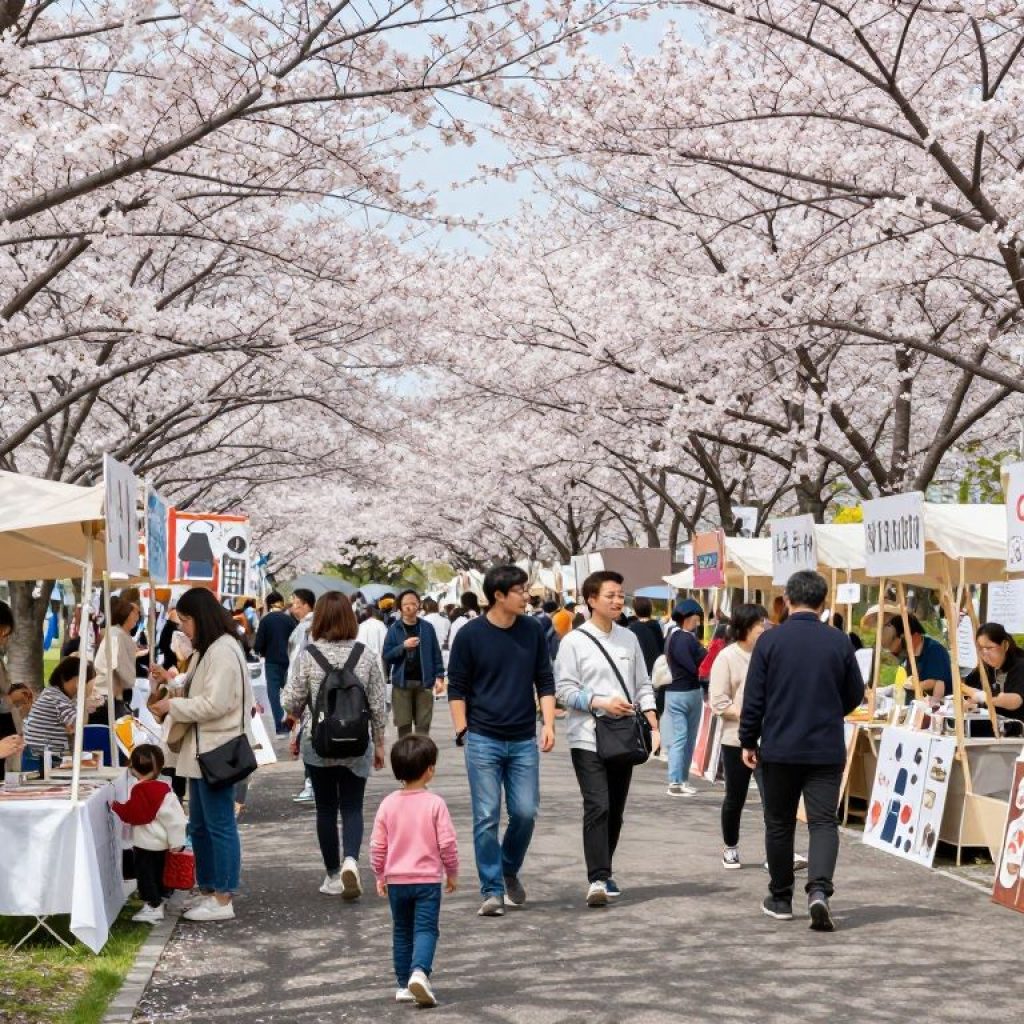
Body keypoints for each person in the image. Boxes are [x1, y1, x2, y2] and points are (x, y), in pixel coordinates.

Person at [739, 571, 864, 931]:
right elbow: (855, 693)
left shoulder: (770, 641)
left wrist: (749, 739)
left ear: (787, 600)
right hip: (825, 747)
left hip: (779, 747)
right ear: (824, 603)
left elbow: (755, 697)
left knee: (779, 823)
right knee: (823, 822)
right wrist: (827, 709)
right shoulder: (838, 641)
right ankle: (819, 891)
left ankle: (780, 898)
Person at [447, 564, 556, 916]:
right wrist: (462, 729)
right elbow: (457, 687)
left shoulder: (533, 630)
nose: (527, 596)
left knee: (525, 812)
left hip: (523, 737)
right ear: (498, 595)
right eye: (521, 590)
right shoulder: (470, 635)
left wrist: (549, 723)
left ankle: (508, 868)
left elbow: (544, 678)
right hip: (483, 738)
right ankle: (492, 889)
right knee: (486, 815)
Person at [149, 587, 254, 923]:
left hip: (215, 749)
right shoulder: (212, 648)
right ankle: (211, 890)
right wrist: (171, 686)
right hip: (205, 749)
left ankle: (222, 896)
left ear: (198, 618)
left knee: (218, 824)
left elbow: (215, 703)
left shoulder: (221, 650)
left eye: (185, 622)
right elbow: (203, 693)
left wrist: (172, 704)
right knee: (204, 824)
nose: (184, 630)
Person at [556, 571, 658, 907]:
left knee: (615, 808)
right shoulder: (574, 641)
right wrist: (601, 702)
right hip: (586, 735)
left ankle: (606, 868)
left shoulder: (629, 639)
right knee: (597, 804)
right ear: (591, 600)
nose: (617, 601)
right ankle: (597, 878)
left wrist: (653, 722)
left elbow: (643, 683)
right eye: (610, 595)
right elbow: (565, 691)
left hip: (624, 735)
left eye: (620, 595)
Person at [282, 591, 387, 898]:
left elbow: (292, 702)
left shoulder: (308, 656)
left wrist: (293, 724)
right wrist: (379, 743)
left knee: (326, 809)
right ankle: (351, 860)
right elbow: (379, 705)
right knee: (352, 806)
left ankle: (331, 875)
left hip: (319, 742)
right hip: (357, 743)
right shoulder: (366, 655)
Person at [371, 734, 459, 1008]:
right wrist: (452, 871)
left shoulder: (388, 804)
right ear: (430, 770)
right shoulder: (435, 804)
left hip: (397, 879)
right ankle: (419, 972)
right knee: (425, 929)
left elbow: (377, 845)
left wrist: (379, 874)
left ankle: (402, 983)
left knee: (402, 930)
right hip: (427, 881)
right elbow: (447, 844)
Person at [710, 604, 769, 869]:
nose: (764, 627)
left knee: (773, 799)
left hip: (769, 738)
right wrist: (748, 716)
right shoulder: (727, 657)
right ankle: (730, 846)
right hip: (735, 739)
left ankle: (776, 854)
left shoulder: (767, 654)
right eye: (760, 623)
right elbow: (719, 701)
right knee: (736, 797)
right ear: (746, 626)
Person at [110, 744, 187, 924]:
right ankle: (161, 897)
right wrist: (177, 842)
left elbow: (134, 814)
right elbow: (176, 819)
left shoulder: (139, 790)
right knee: (160, 873)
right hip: (162, 843)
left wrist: (115, 806)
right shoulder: (166, 790)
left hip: (145, 843)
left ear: (134, 769)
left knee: (145, 876)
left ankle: (153, 906)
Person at [383, 591, 445, 738]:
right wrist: (402, 646)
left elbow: (436, 653)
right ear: (400, 608)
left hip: (424, 683)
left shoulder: (427, 628)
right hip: (401, 684)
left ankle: (421, 759)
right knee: (403, 728)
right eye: (406, 604)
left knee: (423, 727)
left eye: (413, 603)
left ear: (419, 605)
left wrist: (440, 676)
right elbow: (387, 655)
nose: (410, 607)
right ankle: (405, 759)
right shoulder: (394, 629)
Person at [664, 599, 707, 797]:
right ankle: (677, 781)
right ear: (687, 618)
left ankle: (679, 780)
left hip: (673, 692)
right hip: (689, 692)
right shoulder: (687, 639)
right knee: (685, 739)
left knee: (681, 738)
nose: (697, 623)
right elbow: (697, 665)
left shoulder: (670, 637)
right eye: (695, 619)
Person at [23, 656, 98, 759]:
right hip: (43, 760)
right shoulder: (57, 699)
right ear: (77, 681)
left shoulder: (51, 693)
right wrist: (85, 697)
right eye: (89, 684)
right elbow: (79, 725)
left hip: (39, 755)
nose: (92, 688)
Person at [252, 590, 298, 735]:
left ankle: (281, 725)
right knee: (291, 692)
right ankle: (293, 722)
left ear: (268, 604)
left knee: (274, 694)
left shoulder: (265, 620)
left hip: (272, 662)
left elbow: (258, 644)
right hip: (289, 661)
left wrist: (260, 650)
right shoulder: (290, 620)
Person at [287, 588, 317, 801]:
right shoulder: (319, 625)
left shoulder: (305, 629)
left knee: (307, 739)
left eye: (296, 603)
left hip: (307, 693)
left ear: (307, 604)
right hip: (320, 692)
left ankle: (311, 783)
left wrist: (292, 699)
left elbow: (296, 665)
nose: (293, 607)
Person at [963, 622, 1024, 727]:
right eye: (980, 648)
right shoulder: (986, 667)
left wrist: (986, 698)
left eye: (989, 648)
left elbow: (1016, 700)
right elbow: (965, 686)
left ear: (1005, 645)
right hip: (989, 726)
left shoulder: (1020, 666)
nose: (984, 653)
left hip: (1015, 731)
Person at [92, 594, 141, 722]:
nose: (137, 617)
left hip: (111, 693)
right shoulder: (116, 635)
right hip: (107, 694)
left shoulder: (119, 633)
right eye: (135, 613)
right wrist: (130, 680)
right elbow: (118, 664)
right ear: (127, 615)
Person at [886, 613, 952, 703]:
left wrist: (914, 685)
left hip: (933, 706)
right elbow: (903, 680)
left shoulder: (935, 650)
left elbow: (935, 682)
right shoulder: (906, 653)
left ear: (915, 634)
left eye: (902, 639)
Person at [628, 597, 666, 752]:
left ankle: (644, 738)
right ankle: (656, 739)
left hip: (640, 670)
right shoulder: (656, 625)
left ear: (636, 610)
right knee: (654, 706)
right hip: (656, 669)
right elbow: (661, 647)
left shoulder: (633, 628)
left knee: (642, 705)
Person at [421, 597, 452, 668]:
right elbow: (449, 639)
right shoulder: (446, 621)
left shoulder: (422, 621)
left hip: (426, 656)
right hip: (443, 656)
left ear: (425, 608)